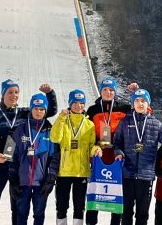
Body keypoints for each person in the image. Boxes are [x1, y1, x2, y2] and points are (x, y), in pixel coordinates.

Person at [0, 79, 57, 225]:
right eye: (10, 92)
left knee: (16, 206)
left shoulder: (25, 113)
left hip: (19, 168)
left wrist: (50, 94)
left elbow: (47, 110)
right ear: (3, 94)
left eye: (16, 92)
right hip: (0, 166)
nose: (13, 95)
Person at [113, 89, 162, 225]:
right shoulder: (125, 122)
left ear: (148, 104)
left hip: (146, 176)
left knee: (142, 214)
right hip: (127, 174)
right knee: (126, 212)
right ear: (132, 104)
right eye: (137, 100)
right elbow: (116, 143)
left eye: (143, 101)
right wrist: (118, 153)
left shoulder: (156, 124)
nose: (140, 104)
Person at [86, 78, 139, 225]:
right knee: (95, 192)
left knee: (116, 194)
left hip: (117, 156)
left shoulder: (124, 108)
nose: (108, 92)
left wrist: (136, 94)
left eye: (111, 90)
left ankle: (115, 222)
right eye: (105, 89)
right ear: (101, 91)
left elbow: (143, 112)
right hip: (99, 156)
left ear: (115, 92)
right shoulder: (93, 110)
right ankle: (91, 222)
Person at [50, 89, 101, 225]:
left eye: (81, 103)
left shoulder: (89, 125)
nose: (79, 106)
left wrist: (96, 150)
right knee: (61, 205)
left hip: (81, 172)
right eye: (75, 103)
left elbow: (91, 146)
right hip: (64, 171)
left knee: (79, 207)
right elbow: (55, 138)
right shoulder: (63, 120)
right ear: (70, 103)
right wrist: (61, 118)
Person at [9, 93, 60, 225]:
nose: (38, 112)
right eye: (36, 108)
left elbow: (55, 157)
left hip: (41, 183)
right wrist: (13, 179)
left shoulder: (50, 130)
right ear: (31, 109)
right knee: (21, 214)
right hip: (22, 182)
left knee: (39, 215)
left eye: (42, 109)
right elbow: (12, 156)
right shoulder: (20, 129)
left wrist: (51, 178)